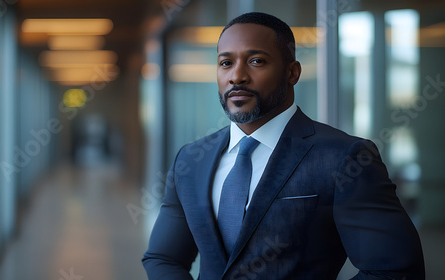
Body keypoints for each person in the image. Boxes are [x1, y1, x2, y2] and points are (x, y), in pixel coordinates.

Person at [142, 12, 425, 280]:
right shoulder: (191, 159)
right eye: (226, 63)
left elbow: (394, 270)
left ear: (292, 73)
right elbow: (163, 258)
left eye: (256, 61)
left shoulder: (344, 158)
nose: (236, 76)